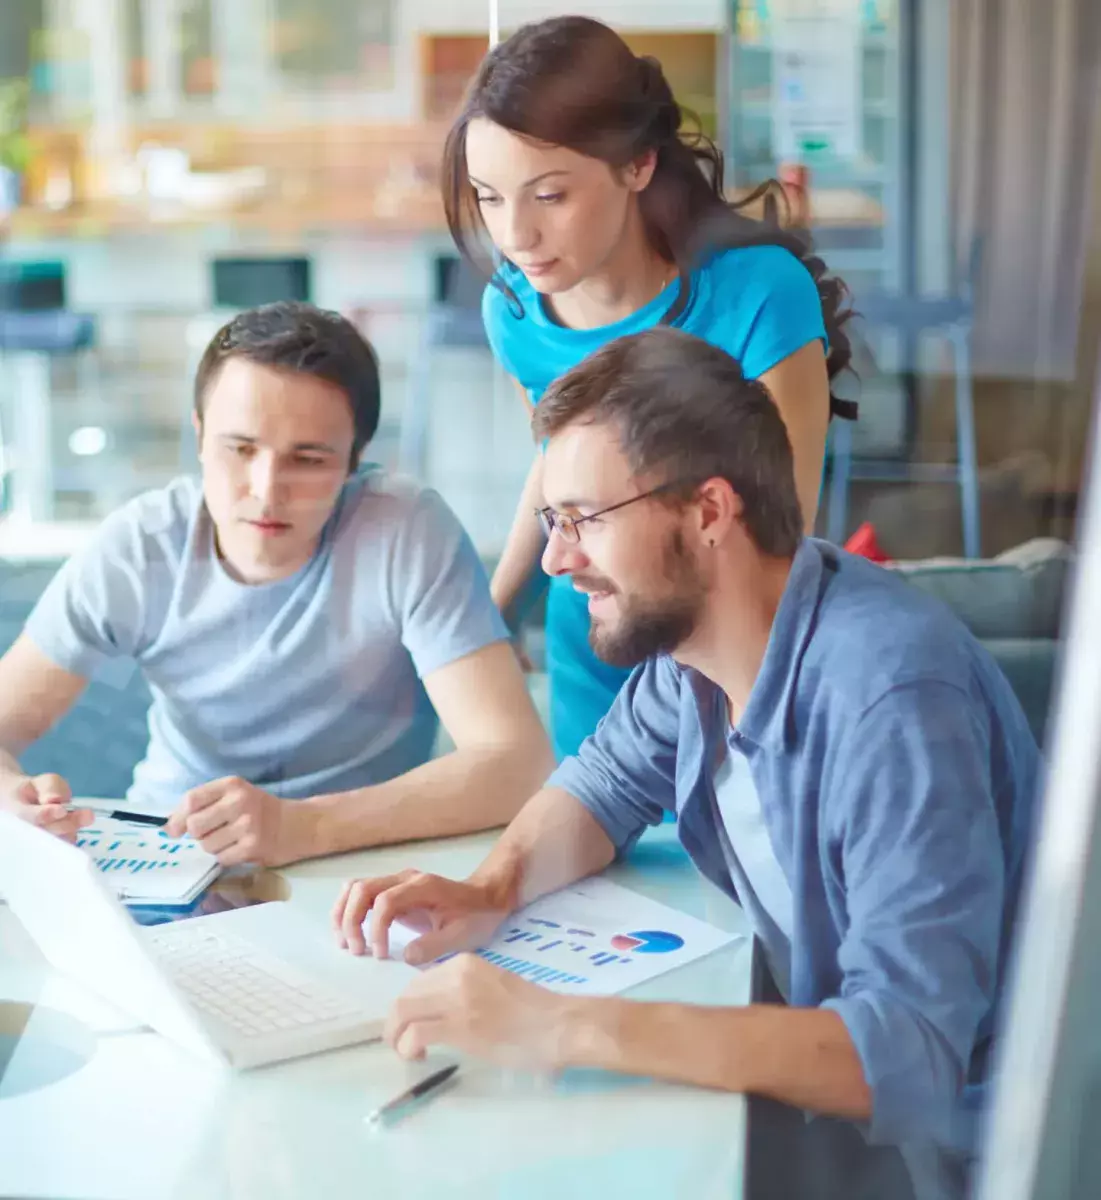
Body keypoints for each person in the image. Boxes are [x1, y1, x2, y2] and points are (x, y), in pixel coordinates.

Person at [332, 329, 1039, 1178]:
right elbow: (600, 785)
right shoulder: (701, 651)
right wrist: (491, 888)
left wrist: (557, 1024)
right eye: (550, 522)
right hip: (837, 1108)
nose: (556, 560)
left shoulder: (888, 698)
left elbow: (908, 1055)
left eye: (581, 520)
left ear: (708, 512)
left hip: (971, 1152)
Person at [0, 301, 554, 867]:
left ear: (355, 461)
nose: (267, 491)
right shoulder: (139, 545)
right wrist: (10, 803)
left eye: (308, 459)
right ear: (198, 435)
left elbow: (515, 763)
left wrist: (303, 827)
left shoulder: (405, 531)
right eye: (240, 449)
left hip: (354, 856)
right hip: (168, 850)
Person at [441, 14, 855, 758]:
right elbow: (555, 478)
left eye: (549, 196)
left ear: (636, 166)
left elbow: (778, 534)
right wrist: (494, 619)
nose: (515, 236)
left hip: (734, 653)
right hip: (594, 642)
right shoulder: (514, 313)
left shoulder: (759, 293)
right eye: (490, 197)